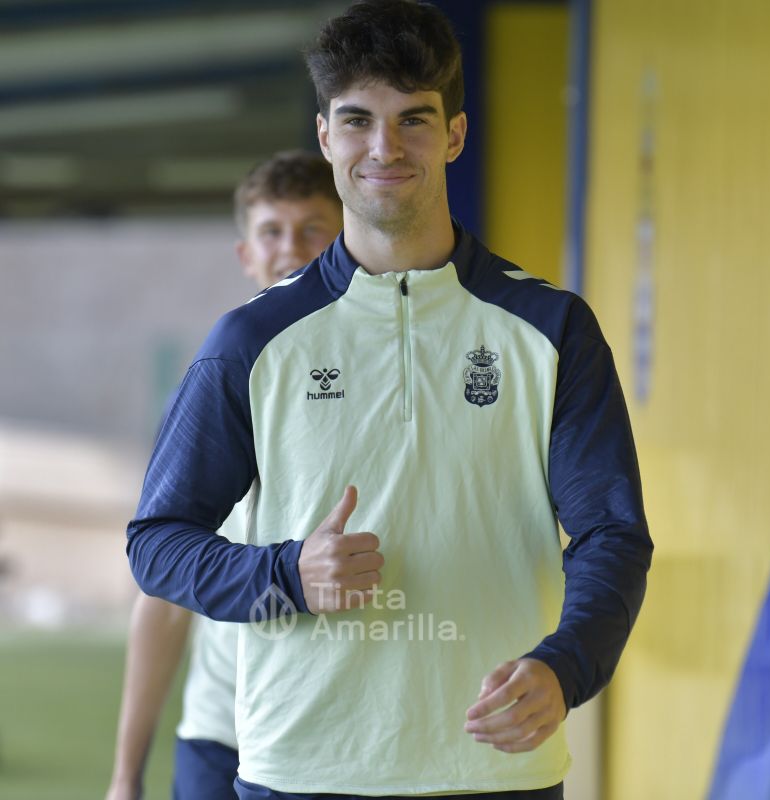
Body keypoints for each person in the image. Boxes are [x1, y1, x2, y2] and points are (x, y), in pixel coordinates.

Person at [126, 2, 653, 799]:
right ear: (327, 135)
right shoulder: (249, 340)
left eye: (413, 119)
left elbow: (613, 532)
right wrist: (286, 576)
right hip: (300, 772)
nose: (384, 147)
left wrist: (565, 665)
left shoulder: (551, 327)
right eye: (358, 120)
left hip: (498, 771)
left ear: (455, 135)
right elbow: (157, 542)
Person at [106, 151, 343, 800]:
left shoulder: (383, 380)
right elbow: (161, 595)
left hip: (341, 736)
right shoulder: (209, 387)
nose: (291, 248)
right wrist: (126, 773)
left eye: (312, 229)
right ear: (247, 254)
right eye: (272, 231)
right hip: (222, 734)